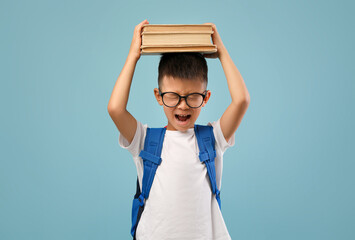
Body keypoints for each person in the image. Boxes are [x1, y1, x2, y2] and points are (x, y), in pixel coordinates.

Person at [107, 19, 250, 240]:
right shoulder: (145, 140)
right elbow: (115, 109)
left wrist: (221, 51)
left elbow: (241, 100)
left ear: (205, 98)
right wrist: (133, 55)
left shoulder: (212, 138)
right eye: (172, 96)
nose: (182, 105)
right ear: (158, 96)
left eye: (193, 96)